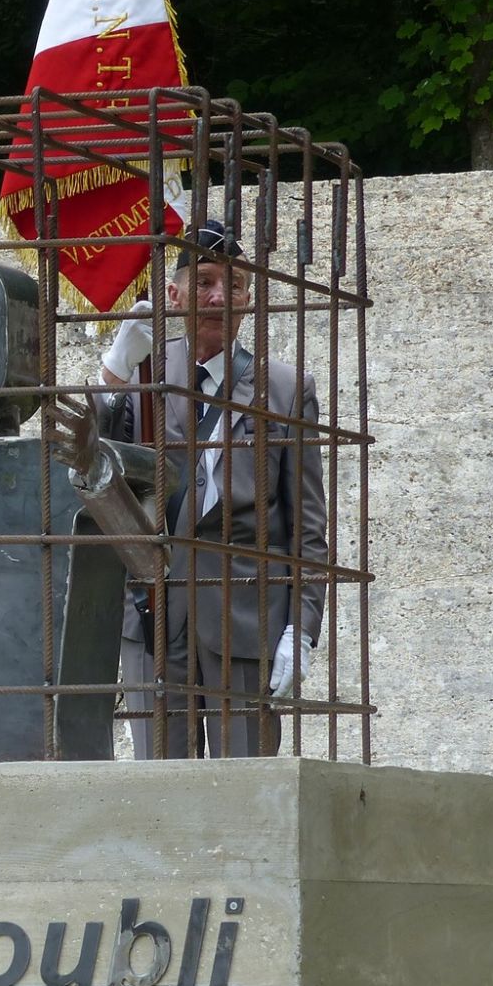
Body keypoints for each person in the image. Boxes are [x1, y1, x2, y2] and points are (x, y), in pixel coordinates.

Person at [96, 223, 327, 758]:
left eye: (234, 284)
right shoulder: (144, 374)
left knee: (243, 781)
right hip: (153, 612)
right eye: (203, 282)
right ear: (173, 296)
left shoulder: (285, 389)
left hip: (246, 616)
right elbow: (86, 457)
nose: (220, 296)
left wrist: (301, 629)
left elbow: (307, 523)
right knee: (161, 783)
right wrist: (114, 370)